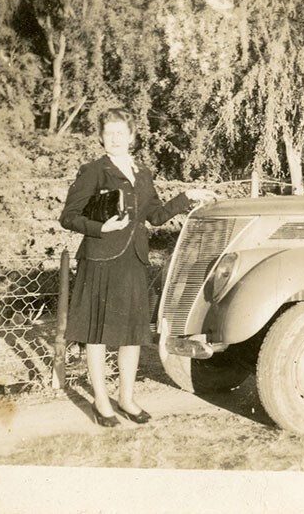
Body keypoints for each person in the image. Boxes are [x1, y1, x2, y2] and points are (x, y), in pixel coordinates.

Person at [59, 109, 216, 426]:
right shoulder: (93, 171)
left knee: (131, 335)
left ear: (131, 136)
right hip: (100, 261)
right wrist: (100, 228)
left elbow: (155, 216)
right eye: (109, 132)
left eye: (120, 132)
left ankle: (127, 399)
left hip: (133, 262)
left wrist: (187, 196)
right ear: (101, 137)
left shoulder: (143, 174)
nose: (115, 138)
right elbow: (68, 216)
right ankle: (101, 402)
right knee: (98, 334)